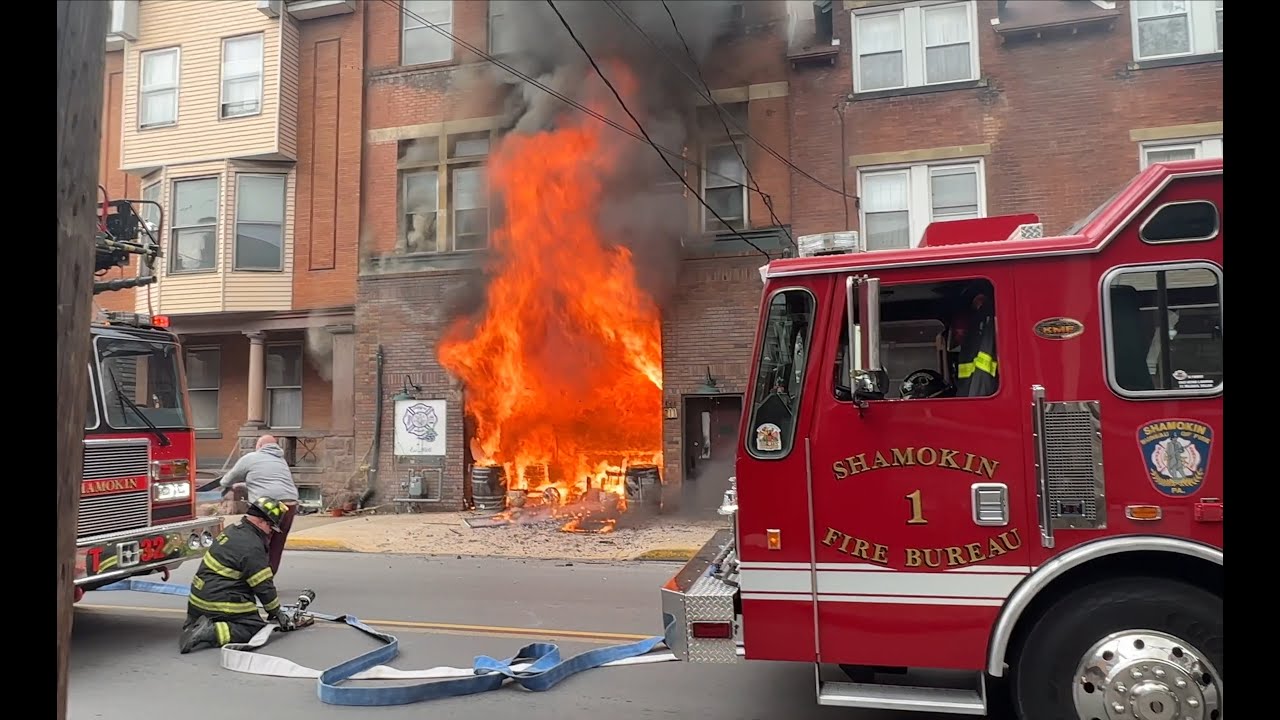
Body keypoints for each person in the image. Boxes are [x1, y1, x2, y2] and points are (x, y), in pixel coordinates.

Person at [179, 497, 308, 654]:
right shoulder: (252, 545)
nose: (270, 532)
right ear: (261, 521)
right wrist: (276, 613)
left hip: (198, 600)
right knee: (253, 627)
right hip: (218, 602)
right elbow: (263, 586)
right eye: (270, 527)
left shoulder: (233, 530)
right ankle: (211, 632)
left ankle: (193, 624)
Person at [220, 434, 299, 576]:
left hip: (267, 506)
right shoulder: (281, 461)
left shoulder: (251, 458)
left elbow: (229, 478)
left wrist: (225, 485)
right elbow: (267, 482)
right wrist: (243, 485)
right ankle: (268, 577)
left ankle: (254, 577)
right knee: (277, 543)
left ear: (260, 446)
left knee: (257, 541)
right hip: (289, 504)